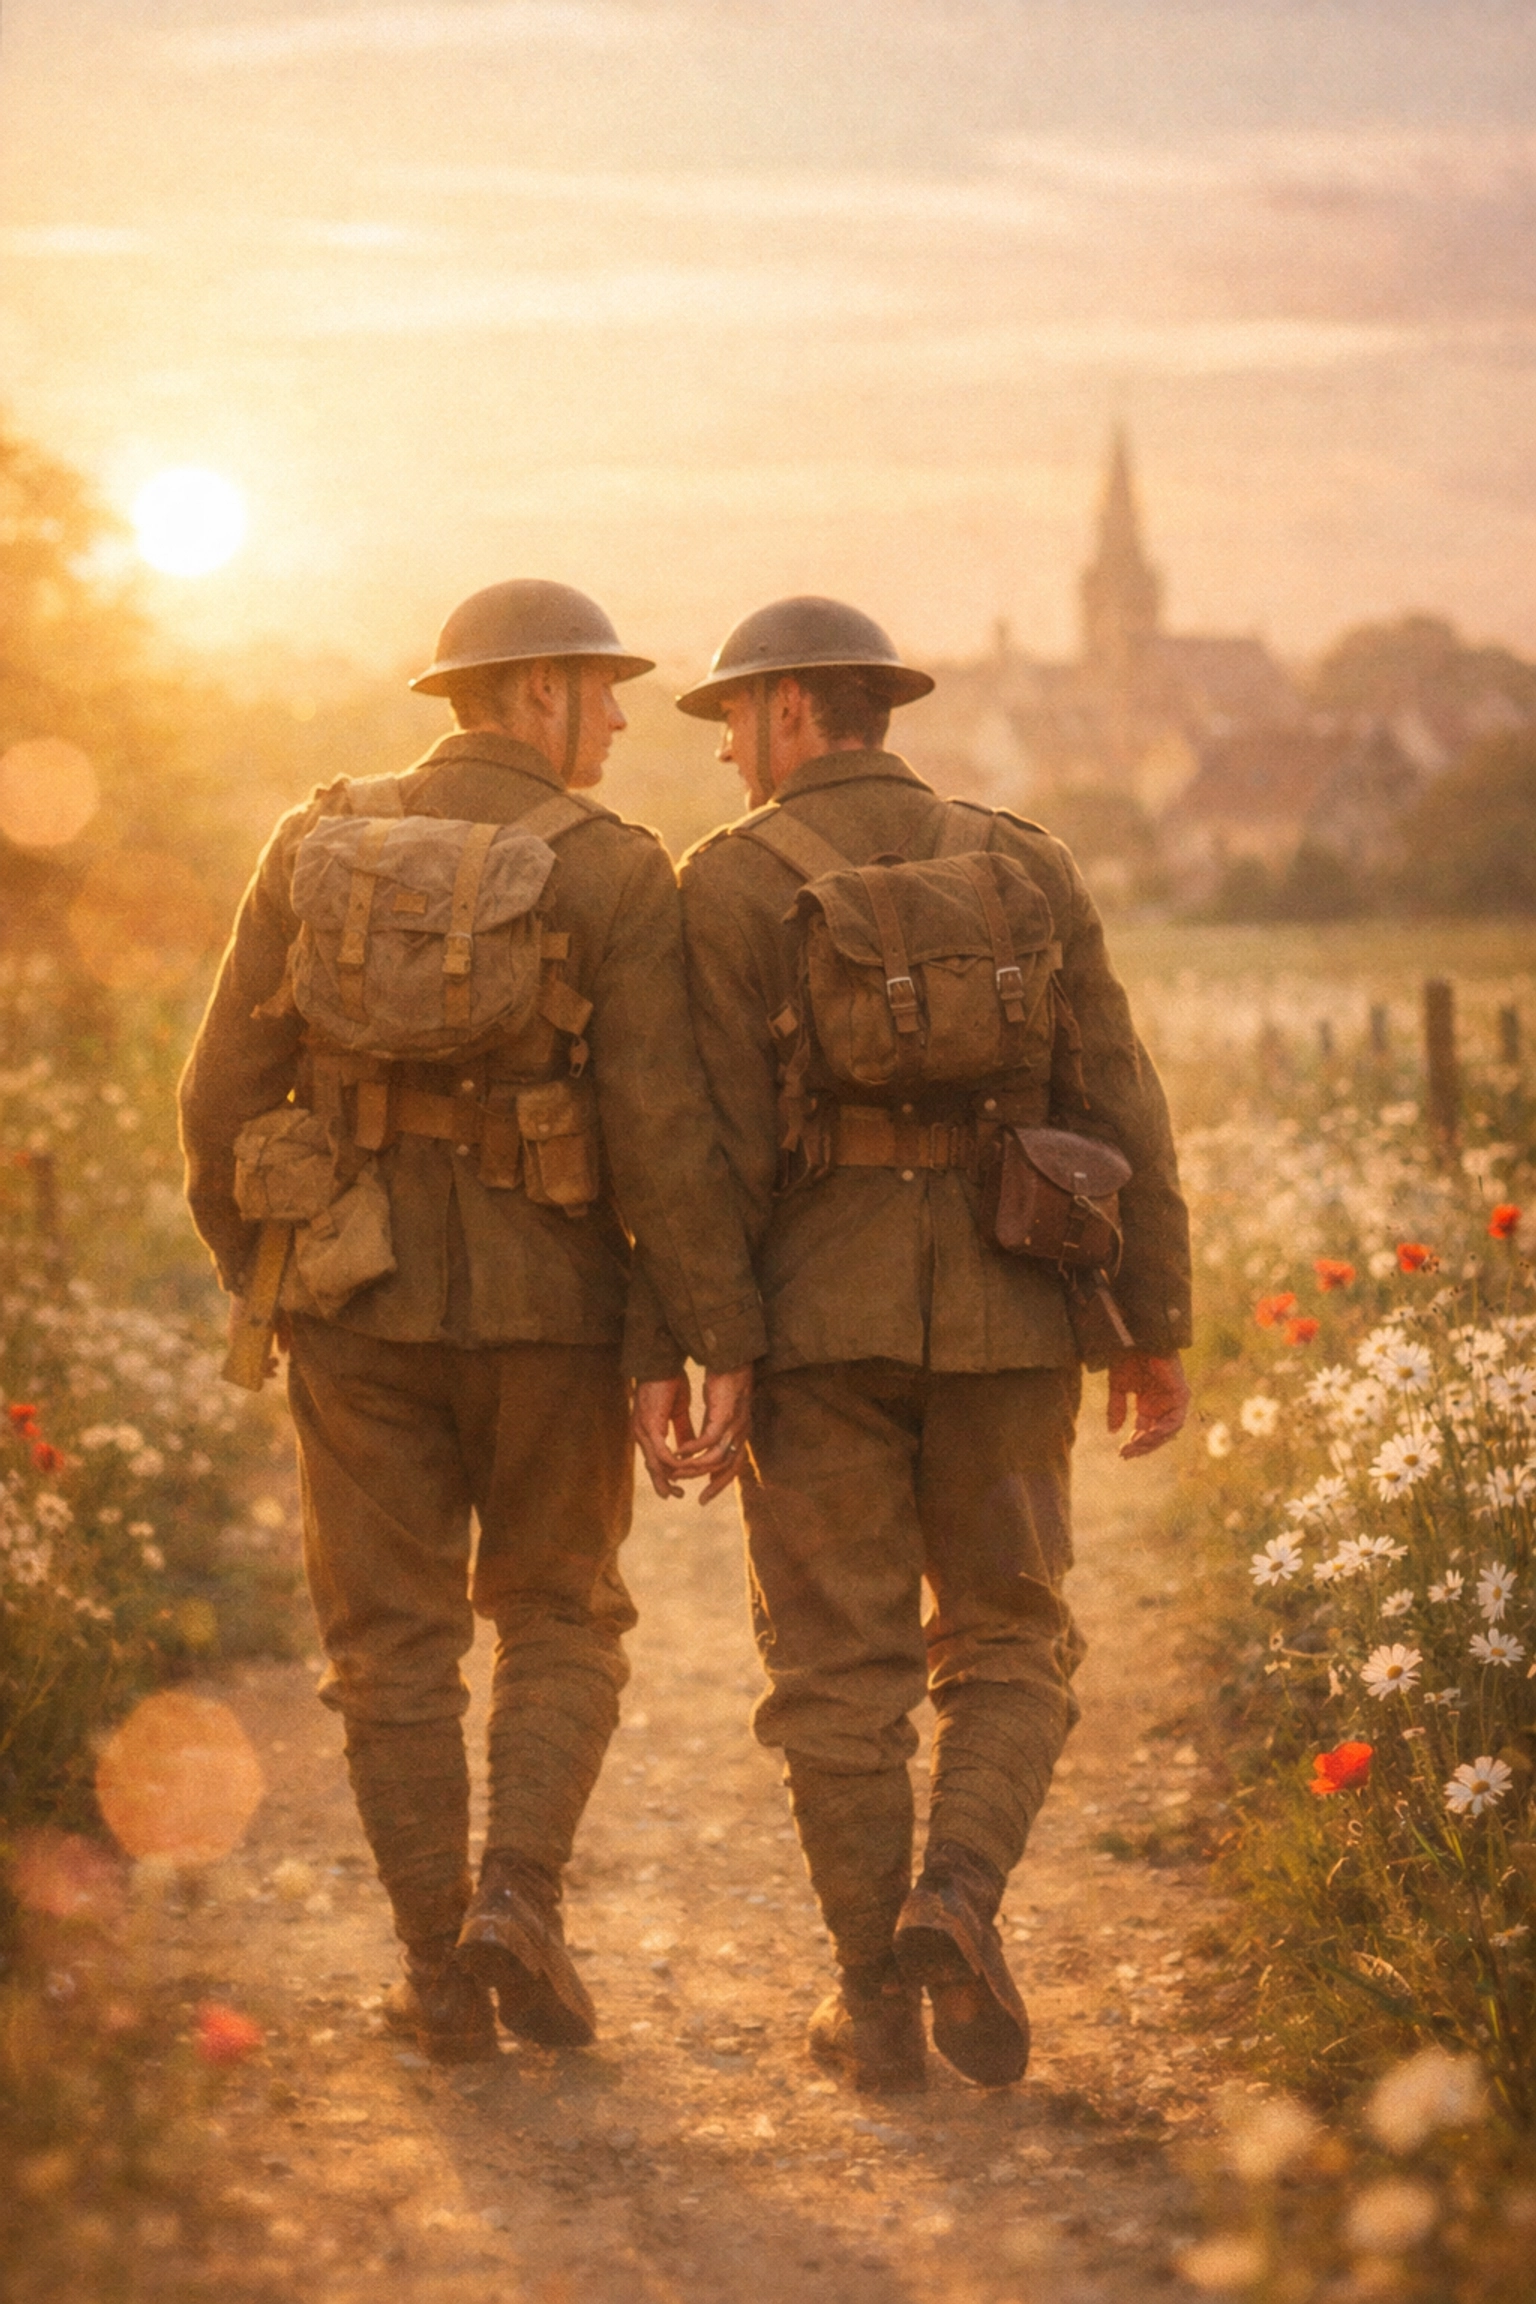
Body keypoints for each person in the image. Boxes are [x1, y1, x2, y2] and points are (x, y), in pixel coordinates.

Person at [180, 580, 763, 2062]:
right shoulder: (616, 870)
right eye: (599, 689)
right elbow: (661, 1134)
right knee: (561, 1615)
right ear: (529, 694)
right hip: (552, 1311)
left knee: (390, 1645)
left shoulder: (315, 840)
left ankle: (438, 1974)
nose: (625, 718)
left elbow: (217, 1099)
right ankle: (517, 1901)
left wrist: (276, 1267)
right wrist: (699, 1340)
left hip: (354, 1309)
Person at [667, 595, 1191, 2092]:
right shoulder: (1024, 858)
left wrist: (712, 1341)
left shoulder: (726, 884)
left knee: (837, 1672)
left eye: (729, 723)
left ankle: (873, 2006)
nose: (723, 756)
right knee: (1011, 1636)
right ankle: (956, 1896)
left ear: (784, 713)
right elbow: (1118, 1102)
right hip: (1018, 1307)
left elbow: (694, 1144)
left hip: (815, 1327)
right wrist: (1151, 1325)